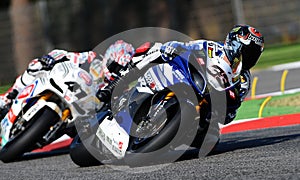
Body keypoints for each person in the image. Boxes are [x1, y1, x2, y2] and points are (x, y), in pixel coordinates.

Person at [130, 24, 264, 124]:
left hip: (205, 107)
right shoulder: (212, 47)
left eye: (254, 55)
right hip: (187, 79)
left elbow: (233, 110)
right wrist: (173, 47)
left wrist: (223, 111)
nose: (250, 57)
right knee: (153, 48)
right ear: (234, 44)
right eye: (248, 52)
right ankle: (123, 78)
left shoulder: (244, 79)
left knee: (211, 139)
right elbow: (187, 46)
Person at [0, 40, 135, 120]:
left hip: (80, 115)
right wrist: (51, 58)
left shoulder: (119, 88)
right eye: (115, 66)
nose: (115, 71)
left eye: (119, 70)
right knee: (37, 65)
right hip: (60, 87)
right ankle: (9, 96)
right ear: (109, 56)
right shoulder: (92, 59)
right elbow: (66, 55)